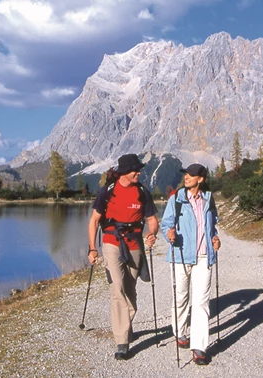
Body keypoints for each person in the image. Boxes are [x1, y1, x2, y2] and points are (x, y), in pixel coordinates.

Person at [87, 153, 159, 360]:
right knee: (117, 289)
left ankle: (125, 326)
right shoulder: (107, 192)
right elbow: (94, 221)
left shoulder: (143, 192)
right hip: (111, 243)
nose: (139, 172)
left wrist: (152, 233)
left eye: (139, 169)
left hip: (135, 243)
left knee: (130, 290)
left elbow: (152, 220)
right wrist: (93, 248)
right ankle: (122, 341)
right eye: (135, 169)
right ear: (125, 172)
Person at [161, 163, 220, 366]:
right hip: (180, 256)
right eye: (186, 174)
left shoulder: (208, 200)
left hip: (204, 257)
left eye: (191, 174)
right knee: (181, 298)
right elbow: (166, 223)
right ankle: (179, 332)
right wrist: (169, 234)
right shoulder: (176, 200)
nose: (187, 177)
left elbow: (213, 226)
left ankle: (199, 347)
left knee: (202, 302)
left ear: (200, 179)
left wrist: (215, 239)